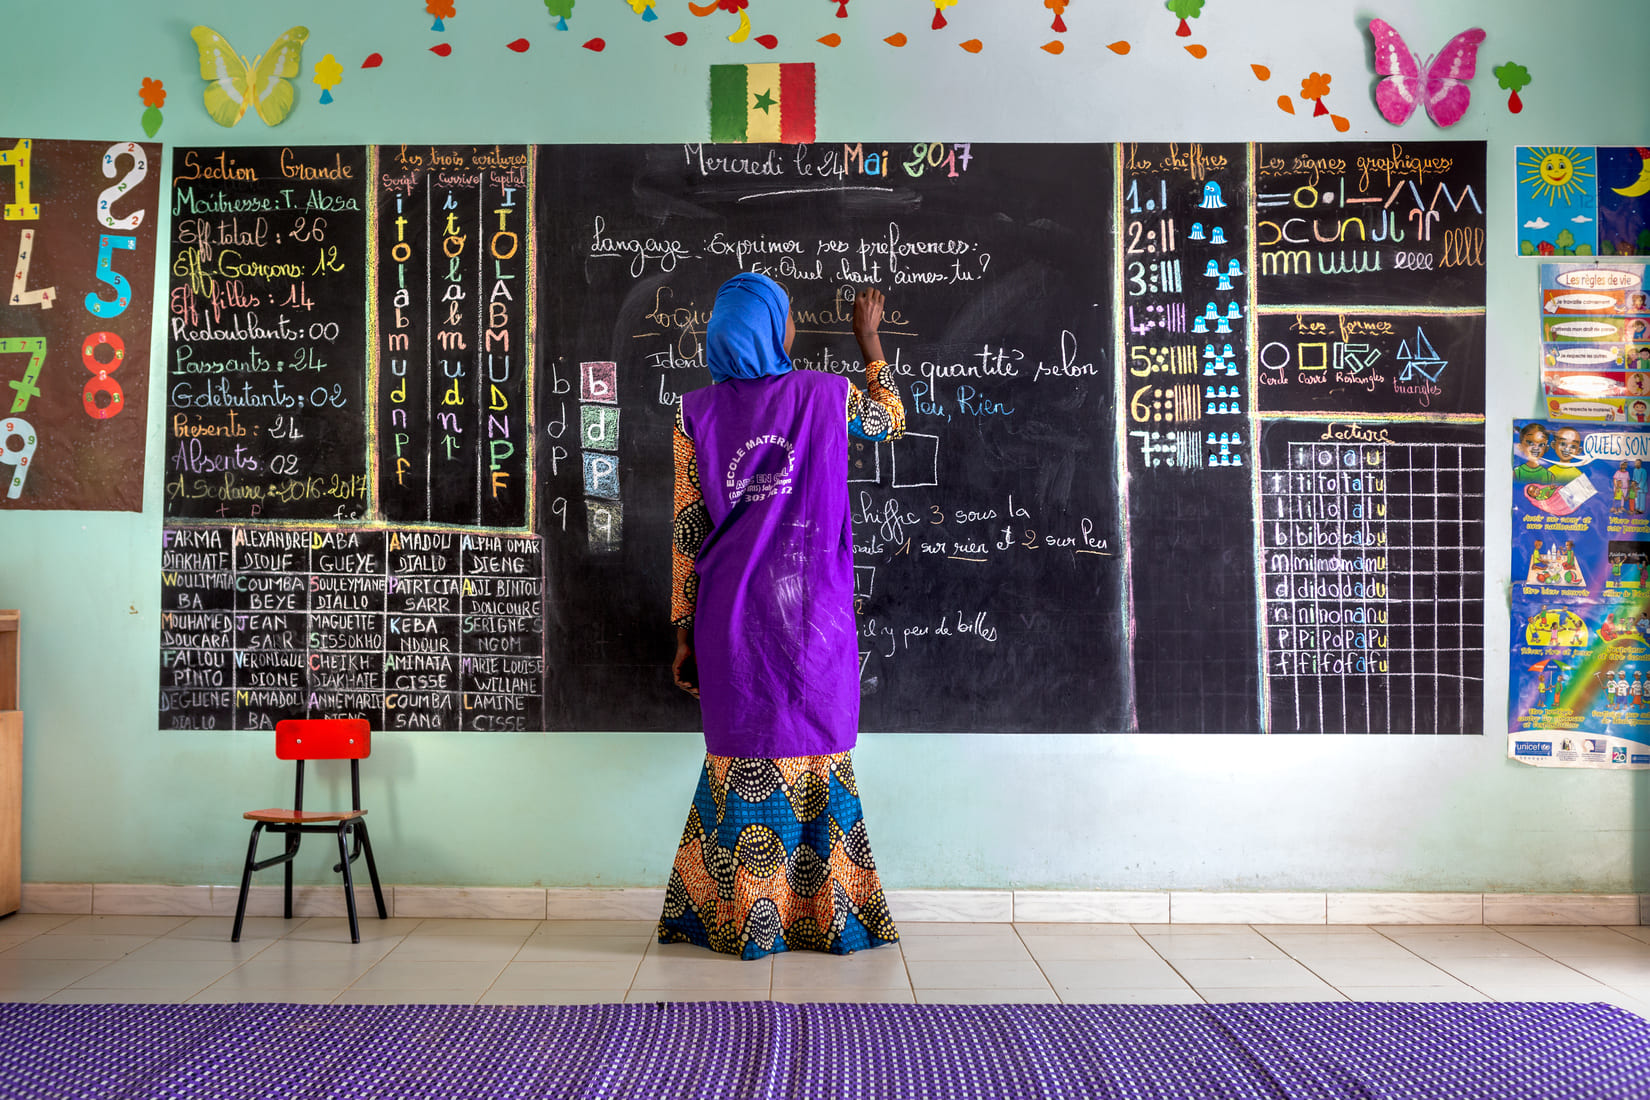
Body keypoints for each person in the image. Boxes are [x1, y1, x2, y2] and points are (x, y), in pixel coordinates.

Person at [658, 272, 906, 960]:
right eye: (788, 317)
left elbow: (686, 529)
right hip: (811, 618)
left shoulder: (695, 413)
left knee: (738, 759)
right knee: (818, 754)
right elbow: (892, 418)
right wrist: (871, 342)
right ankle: (827, 917)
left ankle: (739, 920)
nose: (794, 328)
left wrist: (683, 631)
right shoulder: (826, 395)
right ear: (771, 329)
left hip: (728, 621)